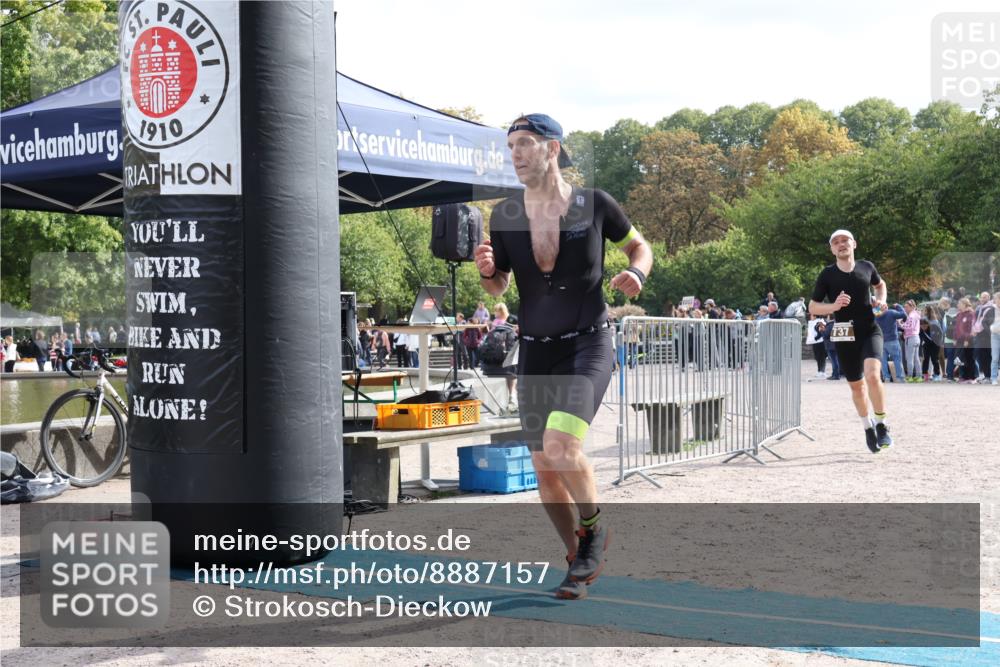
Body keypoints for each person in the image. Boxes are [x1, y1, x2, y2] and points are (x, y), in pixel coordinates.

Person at [474, 113, 653, 600]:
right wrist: (489, 272)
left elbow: (640, 246)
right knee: (543, 466)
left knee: (560, 446)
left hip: (587, 344)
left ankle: (594, 530)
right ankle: (577, 558)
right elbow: (501, 284)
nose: (515, 153)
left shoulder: (594, 204)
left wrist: (638, 272)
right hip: (535, 351)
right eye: (510, 145)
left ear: (552, 149)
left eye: (525, 143)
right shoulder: (505, 215)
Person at [808, 229, 892, 453]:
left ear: (854, 244)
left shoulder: (867, 266)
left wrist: (882, 301)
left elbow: (880, 285)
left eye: (845, 240)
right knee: (856, 387)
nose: (841, 244)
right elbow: (813, 307)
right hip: (844, 333)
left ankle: (882, 424)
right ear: (832, 249)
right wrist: (834, 306)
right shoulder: (827, 275)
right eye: (836, 242)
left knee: (873, 376)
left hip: (869, 330)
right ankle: (868, 428)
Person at [875, 303, 906, 382]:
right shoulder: (891, 312)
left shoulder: (876, 315)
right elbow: (903, 314)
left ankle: (886, 378)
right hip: (892, 340)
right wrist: (898, 306)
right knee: (897, 359)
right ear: (886, 307)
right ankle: (899, 378)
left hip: (881, 341)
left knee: (883, 361)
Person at [973, 291, 995, 383]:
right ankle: (984, 375)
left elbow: (990, 322)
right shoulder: (979, 307)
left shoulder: (991, 308)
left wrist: (984, 326)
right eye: (982, 297)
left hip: (986, 335)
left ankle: (988, 376)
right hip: (979, 334)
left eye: (985, 297)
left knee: (987, 356)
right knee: (980, 355)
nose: (983, 299)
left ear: (989, 298)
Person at [953, 297, 977, 383]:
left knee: (969, 358)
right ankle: (963, 376)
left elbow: (970, 328)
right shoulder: (959, 314)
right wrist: (955, 338)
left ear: (964, 304)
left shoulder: (971, 314)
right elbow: (956, 328)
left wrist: (967, 339)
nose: (958, 305)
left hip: (968, 340)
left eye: (959, 303)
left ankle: (971, 377)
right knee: (959, 359)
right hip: (959, 340)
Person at [901, 300, 922, 381]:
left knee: (909, 358)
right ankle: (919, 376)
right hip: (916, 337)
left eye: (906, 307)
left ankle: (910, 377)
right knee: (916, 358)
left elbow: (909, 326)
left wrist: (900, 324)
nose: (905, 308)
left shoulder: (911, 315)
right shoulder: (916, 314)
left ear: (912, 307)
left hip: (911, 338)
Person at [805, 314, 827, 379]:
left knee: (821, 357)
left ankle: (822, 372)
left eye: (811, 316)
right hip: (815, 343)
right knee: (817, 357)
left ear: (815, 316)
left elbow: (821, 332)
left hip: (820, 343)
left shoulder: (819, 322)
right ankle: (819, 371)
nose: (810, 317)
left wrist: (815, 338)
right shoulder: (813, 322)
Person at [989, 291, 1000, 386]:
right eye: (996, 299)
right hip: (995, 335)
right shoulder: (991, 309)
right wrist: (991, 328)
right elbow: (986, 320)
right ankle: (993, 378)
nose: (997, 301)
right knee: (995, 357)